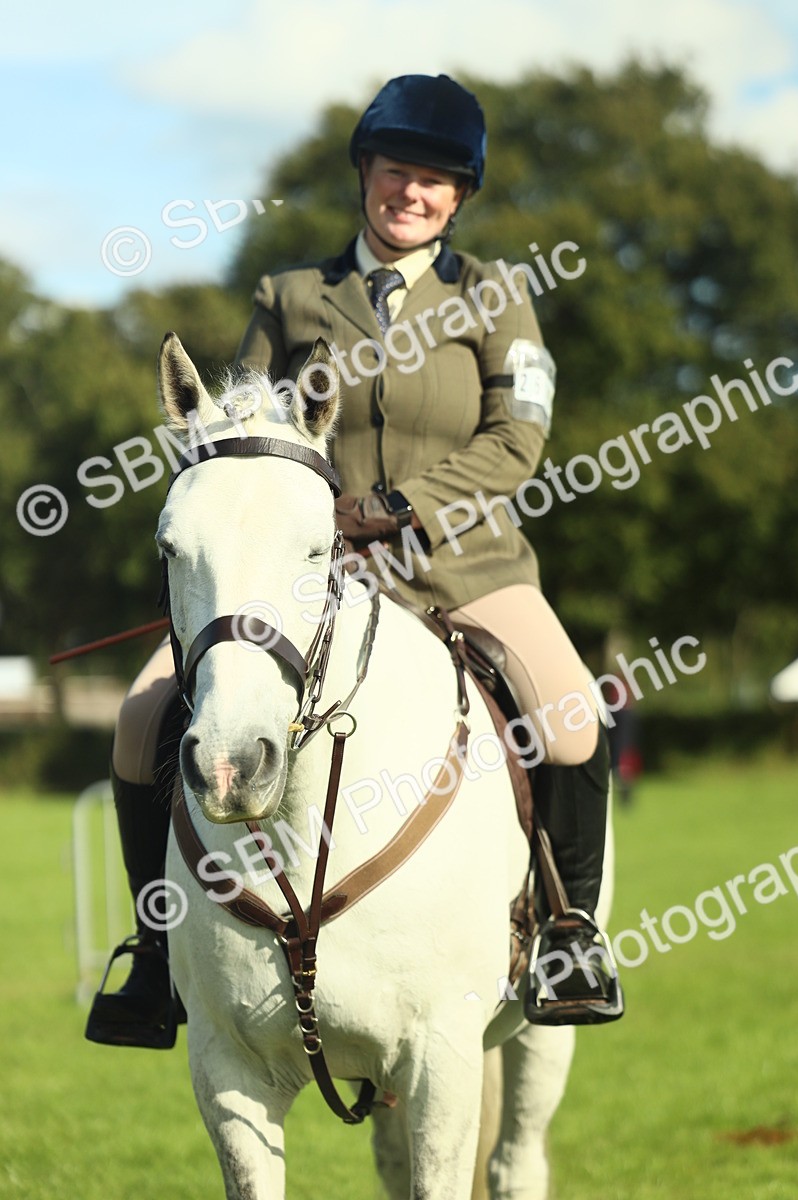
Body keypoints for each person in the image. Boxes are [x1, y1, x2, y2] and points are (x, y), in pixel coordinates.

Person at [86, 73, 622, 1049]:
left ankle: (566, 934)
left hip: (469, 569)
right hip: (311, 582)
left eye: (434, 180)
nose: (410, 193)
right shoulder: (291, 297)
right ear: (363, 175)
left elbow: (517, 442)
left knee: (572, 716)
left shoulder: (496, 299)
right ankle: (158, 955)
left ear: (459, 198)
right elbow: (237, 432)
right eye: (395, 172)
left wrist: (398, 506)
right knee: (136, 722)